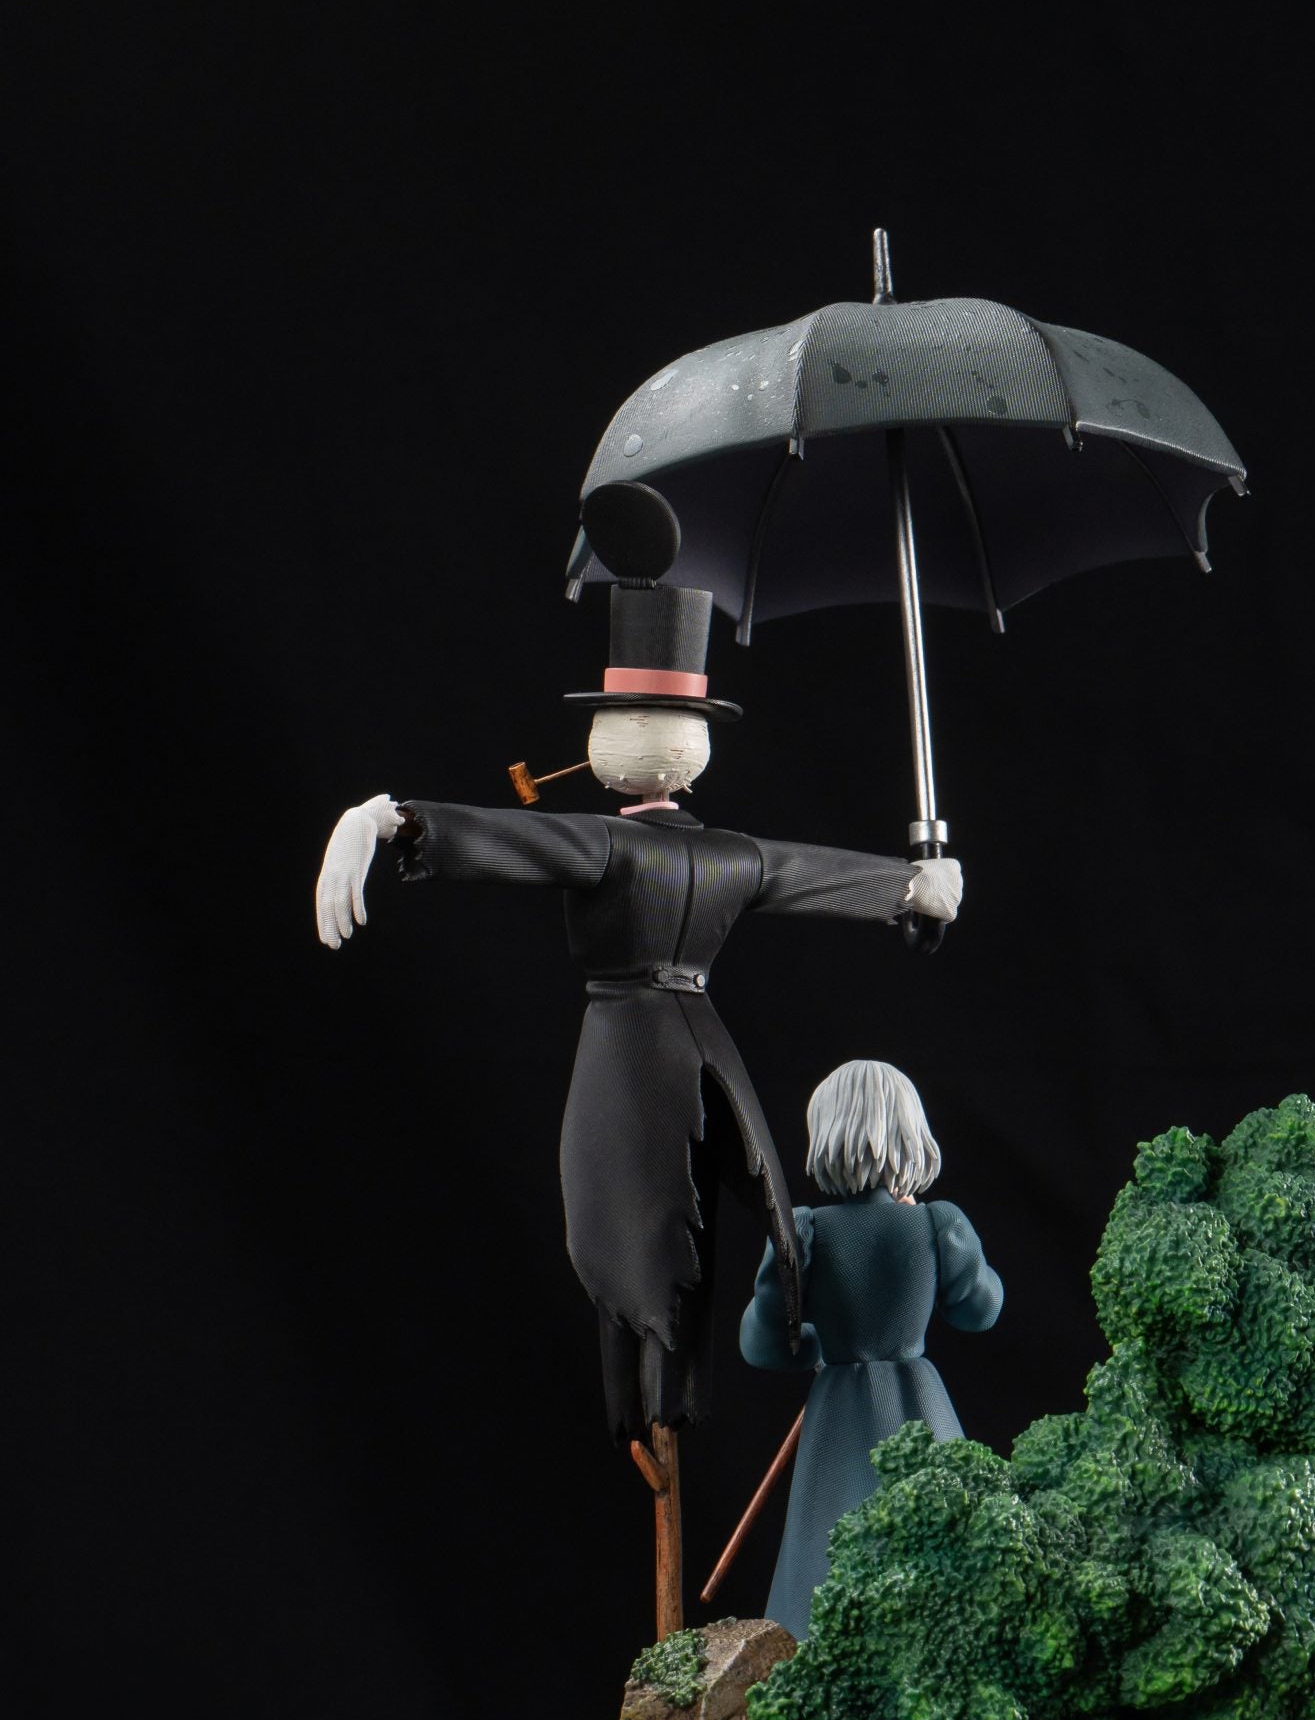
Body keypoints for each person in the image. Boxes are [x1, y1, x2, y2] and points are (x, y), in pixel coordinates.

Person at [313, 484, 963, 1633]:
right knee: (671, 1251)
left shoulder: (635, 850)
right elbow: (799, 869)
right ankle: (660, 1416)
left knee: (638, 1249)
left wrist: (393, 819)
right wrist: (912, 885)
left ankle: (655, 1414)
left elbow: (523, 839)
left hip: (631, 1059)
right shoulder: (718, 855)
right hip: (697, 1053)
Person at [739, 1060, 1002, 1640]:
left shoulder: (803, 1230)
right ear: (911, 1132)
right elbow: (980, 1310)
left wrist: (816, 1347)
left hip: (838, 1407)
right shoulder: (937, 1224)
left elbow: (764, 1345)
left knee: (827, 1541)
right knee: (944, 1536)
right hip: (918, 1402)